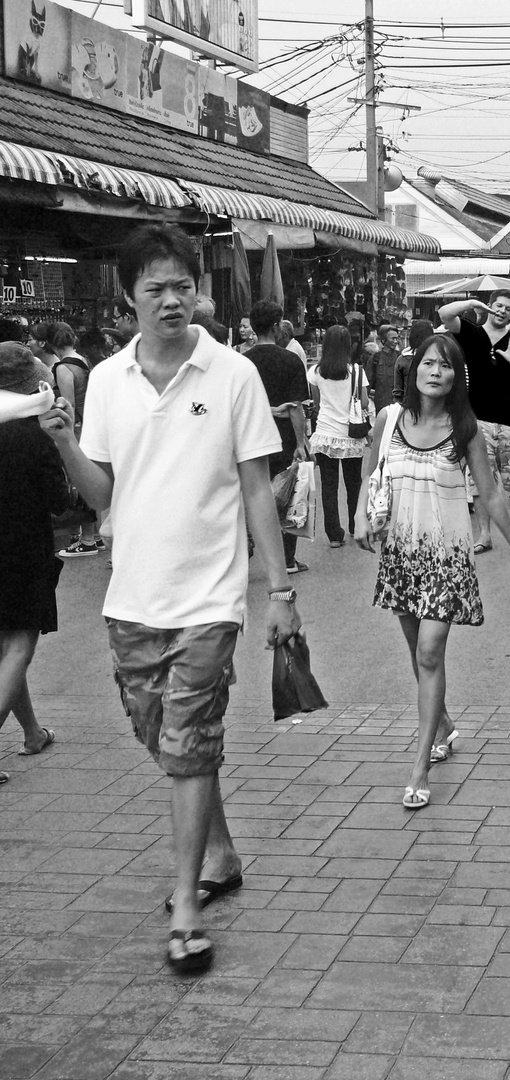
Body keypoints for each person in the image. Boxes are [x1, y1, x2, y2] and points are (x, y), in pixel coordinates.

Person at [39, 223, 300, 977]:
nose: (171, 299)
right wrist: (63, 445)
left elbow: (257, 487)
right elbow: (103, 499)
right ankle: (219, 849)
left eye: (182, 285)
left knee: (188, 741)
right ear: (129, 298)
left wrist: (278, 590)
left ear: (199, 290)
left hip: (210, 598)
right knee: (164, 739)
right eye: (154, 288)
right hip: (132, 598)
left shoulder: (233, 375)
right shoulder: (108, 380)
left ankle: (187, 905)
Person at [356, 334, 510, 811]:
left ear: (457, 377)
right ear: (414, 371)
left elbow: (490, 493)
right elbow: (369, 470)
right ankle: (446, 724)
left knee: (430, 653)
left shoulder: (465, 428)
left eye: (447, 366)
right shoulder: (389, 419)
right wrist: (359, 515)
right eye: (429, 363)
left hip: (446, 555)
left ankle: (420, 766)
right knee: (419, 654)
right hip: (401, 553)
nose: (436, 372)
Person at [1, 344, 69, 782]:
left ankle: (31, 733)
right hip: (22, 547)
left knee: (6, 649)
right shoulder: (32, 433)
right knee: (20, 645)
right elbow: (59, 502)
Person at [437, 291, 510, 551]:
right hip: (477, 420)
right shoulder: (472, 333)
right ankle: (484, 534)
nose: (502, 311)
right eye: (498, 306)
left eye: (507, 308)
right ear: (490, 307)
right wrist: (470, 304)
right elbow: (445, 314)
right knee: (480, 480)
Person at [245, 301, 313, 571]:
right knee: (287, 494)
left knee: (251, 491)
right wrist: (300, 443)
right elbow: (296, 407)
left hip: (251, 437)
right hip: (283, 437)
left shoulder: (242, 361)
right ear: (276, 327)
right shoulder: (290, 359)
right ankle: (287, 559)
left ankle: (246, 542)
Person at [308, 325, 371, 550]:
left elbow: (316, 403)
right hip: (351, 434)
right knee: (353, 483)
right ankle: (355, 526)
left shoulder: (316, 371)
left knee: (329, 485)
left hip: (325, 433)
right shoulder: (356, 371)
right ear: (348, 346)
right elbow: (363, 403)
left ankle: (334, 534)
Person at [43, 323, 102, 558]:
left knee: (77, 481)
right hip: (87, 423)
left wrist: (67, 436)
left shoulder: (63, 368)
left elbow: (68, 404)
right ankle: (93, 536)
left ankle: (87, 539)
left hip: (76, 427)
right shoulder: (82, 360)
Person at [366, 323, 402, 412]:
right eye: (393, 338)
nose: (395, 341)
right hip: (381, 406)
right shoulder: (375, 359)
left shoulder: (400, 358)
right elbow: (368, 382)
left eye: (397, 338)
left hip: (399, 405)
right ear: (384, 340)